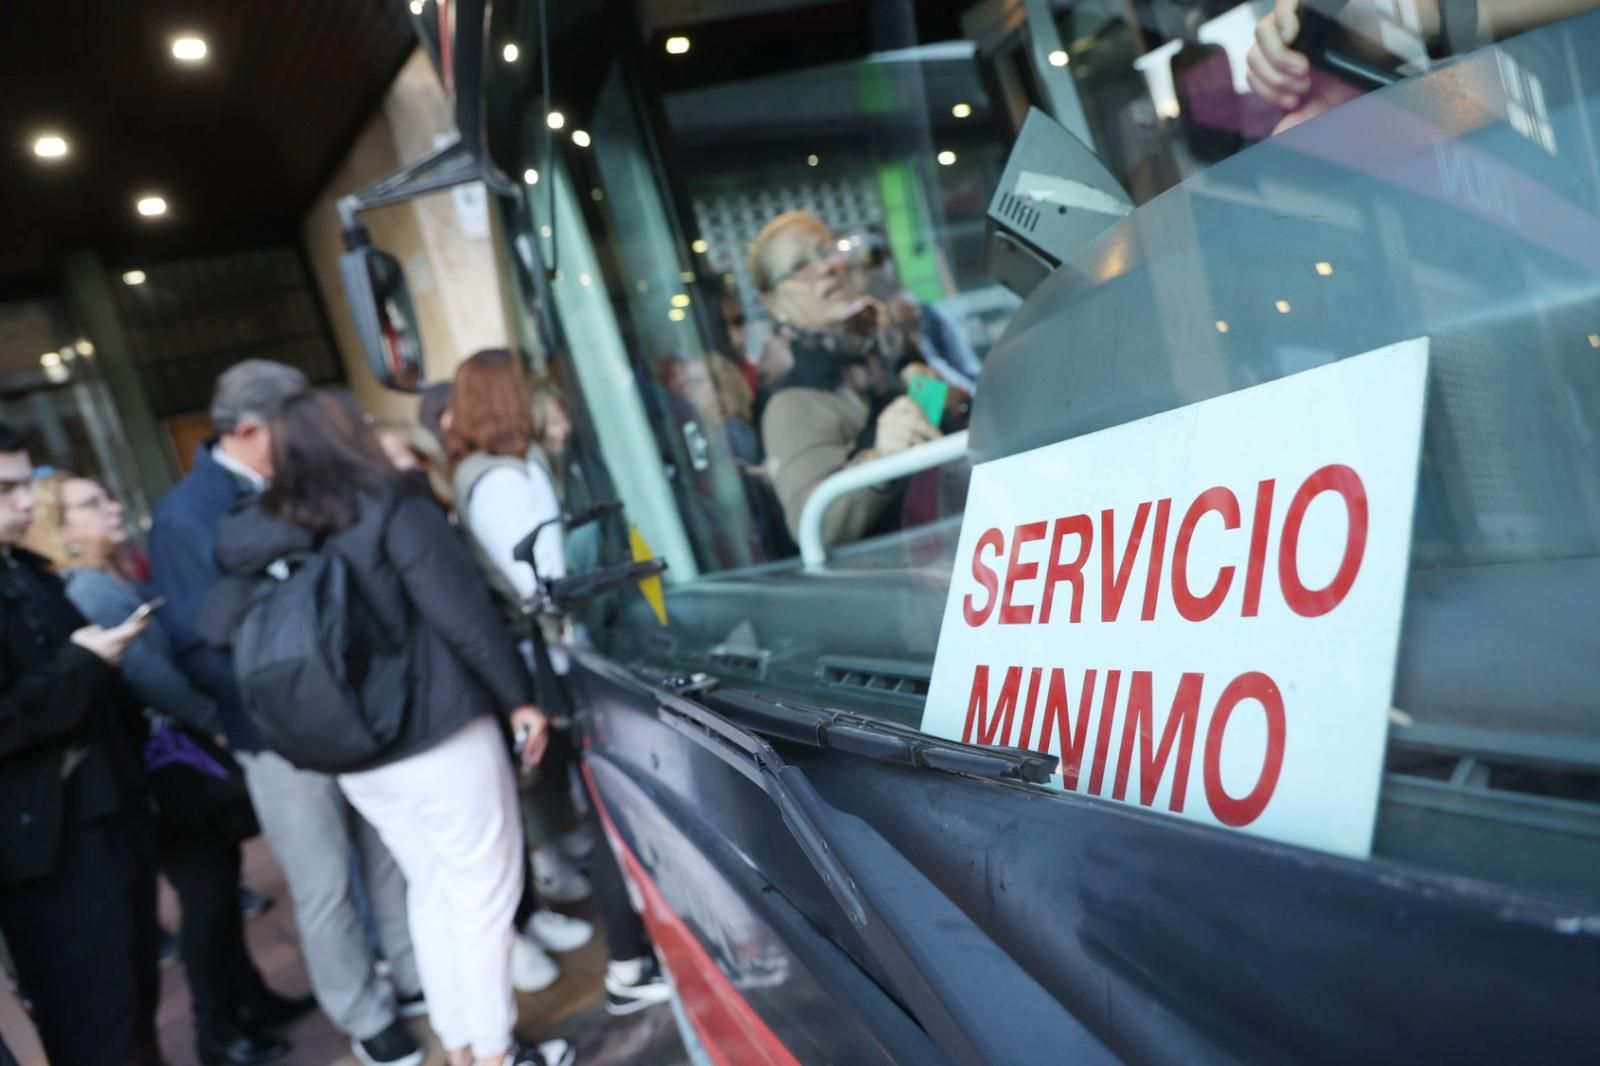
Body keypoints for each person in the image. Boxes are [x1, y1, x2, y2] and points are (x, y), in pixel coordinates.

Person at [208, 391, 574, 1066]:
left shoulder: (258, 527)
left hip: (351, 751)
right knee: (483, 895)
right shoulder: (389, 502)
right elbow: (461, 613)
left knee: (430, 892)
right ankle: (493, 1052)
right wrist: (517, 698)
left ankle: (461, 1044)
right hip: (438, 729)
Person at [148, 361, 426, 1066]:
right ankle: (362, 1014)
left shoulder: (302, 478)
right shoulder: (186, 514)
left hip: (356, 711)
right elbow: (191, 644)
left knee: (387, 855)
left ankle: (415, 977)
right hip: (275, 732)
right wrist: (289, 696)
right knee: (324, 880)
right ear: (246, 430)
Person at [24, 471, 313, 1066]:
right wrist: (212, 718)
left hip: (167, 760)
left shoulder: (105, 578)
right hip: (161, 767)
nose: (111, 508)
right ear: (63, 528)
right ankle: (219, 1030)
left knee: (217, 887)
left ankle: (245, 1005)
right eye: (90, 503)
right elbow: (148, 677)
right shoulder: (89, 590)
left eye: (107, 495)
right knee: (206, 897)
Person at [445, 351, 673, 1016]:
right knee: (606, 808)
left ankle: (634, 954)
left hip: (565, 658)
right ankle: (630, 960)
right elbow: (549, 586)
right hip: (567, 662)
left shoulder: (493, 474)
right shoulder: (504, 481)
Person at [0, 423, 163, 1066]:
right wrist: (82, 663)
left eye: (24, 485)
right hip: (43, 840)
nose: (24, 502)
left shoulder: (27, 570)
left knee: (132, 991)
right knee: (95, 1015)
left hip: (106, 804)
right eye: (6, 488)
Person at [748, 210, 944, 548]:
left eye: (826, 251)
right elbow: (815, 526)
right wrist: (880, 459)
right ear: (774, 303)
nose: (826, 267)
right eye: (799, 267)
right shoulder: (792, 404)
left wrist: (932, 386)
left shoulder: (888, 350)